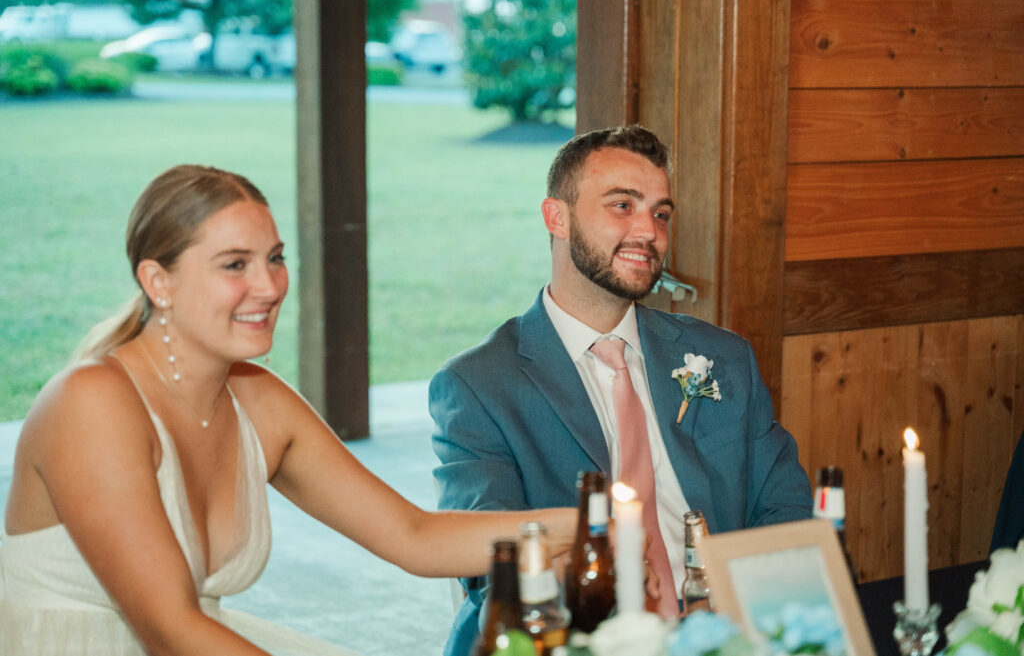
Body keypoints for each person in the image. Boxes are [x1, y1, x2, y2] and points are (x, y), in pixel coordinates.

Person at [0, 164, 577, 656]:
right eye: (235, 265)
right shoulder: (93, 402)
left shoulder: (258, 399)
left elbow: (415, 536)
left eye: (274, 258)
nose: (270, 285)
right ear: (158, 281)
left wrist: (601, 521)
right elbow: (169, 629)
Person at [430, 125, 813, 656]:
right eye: (622, 206)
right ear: (556, 217)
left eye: (660, 213)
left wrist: (729, 605)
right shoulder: (478, 386)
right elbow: (495, 570)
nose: (648, 231)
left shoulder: (723, 358)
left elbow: (785, 503)